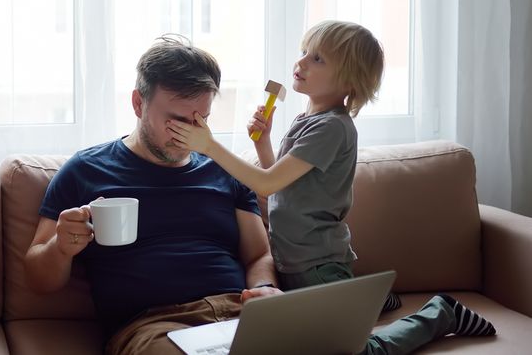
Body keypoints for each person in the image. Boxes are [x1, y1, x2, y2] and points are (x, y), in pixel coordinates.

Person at [27, 34, 495, 355]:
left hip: (239, 311)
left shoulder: (223, 171)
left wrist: (267, 289)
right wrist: (63, 248)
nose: (189, 132)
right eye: (176, 118)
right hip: (152, 325)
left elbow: (258, 252)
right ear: (138, 103)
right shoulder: (86, 170)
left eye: (201, 119)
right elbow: (40, 278)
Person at [166, 21, 496, 351]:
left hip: (317, 265)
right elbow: (277, 185)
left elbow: (265, 182)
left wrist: (208, 145)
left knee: (357, 350)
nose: (302, 62)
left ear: (349, 81)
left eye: (318, 59)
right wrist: (263, 143)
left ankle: (441, 314)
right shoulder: (306, 122)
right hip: (293, 261)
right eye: (304, 52)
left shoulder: (332, 129)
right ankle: (373, 300)